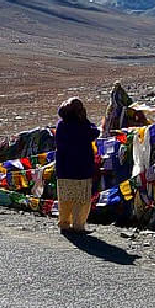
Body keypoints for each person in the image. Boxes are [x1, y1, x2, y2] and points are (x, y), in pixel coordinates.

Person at [54, 97, 99, 234]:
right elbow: (95, 132)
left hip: (63, 168)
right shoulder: (83, 126)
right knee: (81, 200)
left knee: (65, 199)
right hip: (81, 168)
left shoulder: (61, 125)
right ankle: (78, 225)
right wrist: (85, 120)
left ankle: (64, 223)